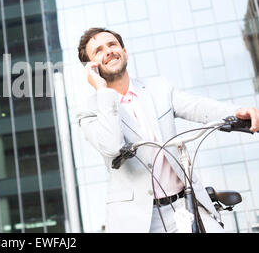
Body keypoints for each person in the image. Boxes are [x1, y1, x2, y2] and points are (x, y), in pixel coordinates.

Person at [76, 27, 259, 233]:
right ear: (90, 68)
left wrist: (236, 112)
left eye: (112, 45)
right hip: (139, 219)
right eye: (98, 51)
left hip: (185, 205)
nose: (108, 51)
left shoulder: (159, 87)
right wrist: (102, 91)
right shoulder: (90, 110)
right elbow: (111, 147)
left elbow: (198, 107)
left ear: (124, 51)